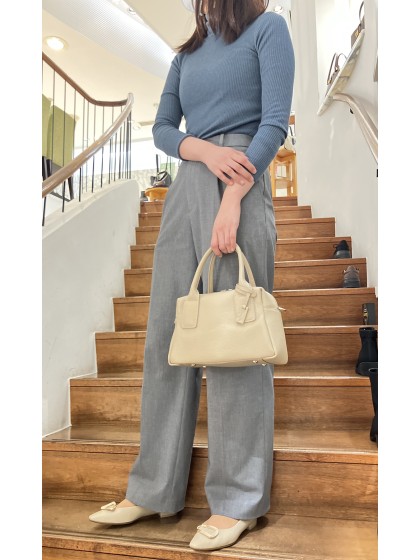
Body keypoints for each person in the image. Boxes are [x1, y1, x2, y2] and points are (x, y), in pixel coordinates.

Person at [89, 0, 294, 552]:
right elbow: (162, 128)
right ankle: (153, 487)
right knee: (166, 337)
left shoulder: (268, 30)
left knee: (235, 344)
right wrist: (199, 150)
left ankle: (238, 499)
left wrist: (233, 197)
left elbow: (274, 122)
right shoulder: (187, 54)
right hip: (186, 188)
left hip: (241, 183)